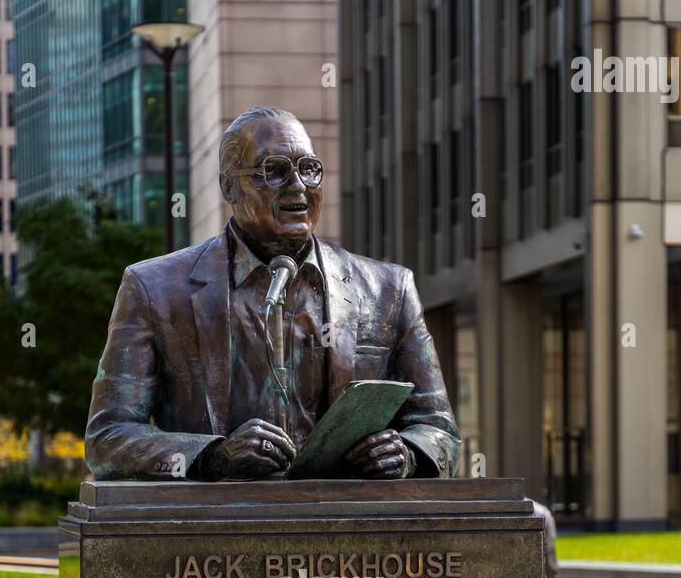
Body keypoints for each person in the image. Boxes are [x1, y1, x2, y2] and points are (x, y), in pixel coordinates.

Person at [85, 106, 460, 481]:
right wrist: (211, 456)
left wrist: (408, 454)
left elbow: (439, 429)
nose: (298, 186)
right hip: (219, 525)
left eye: (309, 169)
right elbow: (108, 437)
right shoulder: (154, 288)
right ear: (229, 186)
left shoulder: (389, 289)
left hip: (347, 522)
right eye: (275, 171)